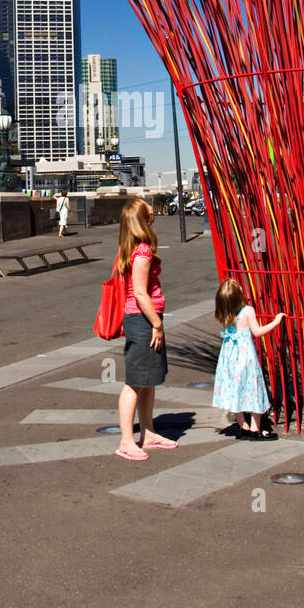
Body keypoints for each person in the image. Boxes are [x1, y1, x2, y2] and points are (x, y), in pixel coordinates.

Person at [115, 196, 176, 460]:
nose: (153, 209)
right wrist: (156, 324)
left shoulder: (136, 247)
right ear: (142, 218)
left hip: (143, 319)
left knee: (147, 380)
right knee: (135, 382)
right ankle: (126, 441)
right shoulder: (142, 251)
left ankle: (148, 432)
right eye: (148, 208)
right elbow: (140, 294)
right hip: (142, 320)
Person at [212, 278, 284, 438]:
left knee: (234, 391)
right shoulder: (248, 310)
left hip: (229, 358)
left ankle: (243, 426)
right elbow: (257, 332)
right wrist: (275, 322)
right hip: (246, 358)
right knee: (253, 390)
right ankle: (255, 429)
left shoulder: (225, 312)